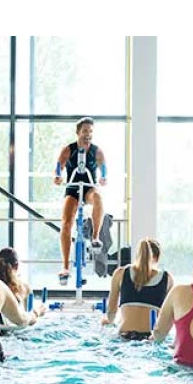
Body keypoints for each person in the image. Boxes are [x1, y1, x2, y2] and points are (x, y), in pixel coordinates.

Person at [53, 117, 107, 284]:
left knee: (98, 197)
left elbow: (103, 168)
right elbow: (59, 166)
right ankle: (65, 267)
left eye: (90, 131)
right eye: (85, 131)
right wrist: (57, 176)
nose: (87, 134)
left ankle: (95, 238)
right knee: (66, 223)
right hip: (73, 188)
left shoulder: (97, 151)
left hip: (89, 187)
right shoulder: (68, 150)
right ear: (78, 132)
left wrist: (104, 177)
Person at [101, 237, 174, 339]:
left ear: (137, 255)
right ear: (157, 257)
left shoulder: (120, 273)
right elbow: (167, 320)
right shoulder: (167, 279)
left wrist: (107, 321)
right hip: (149, 339)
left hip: (124, 336)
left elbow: (111, 313)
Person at [0, 247, 47, 319]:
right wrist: (38, 312)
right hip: (16, 323)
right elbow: (29, 318)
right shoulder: (24, 288)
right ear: (17, 266)